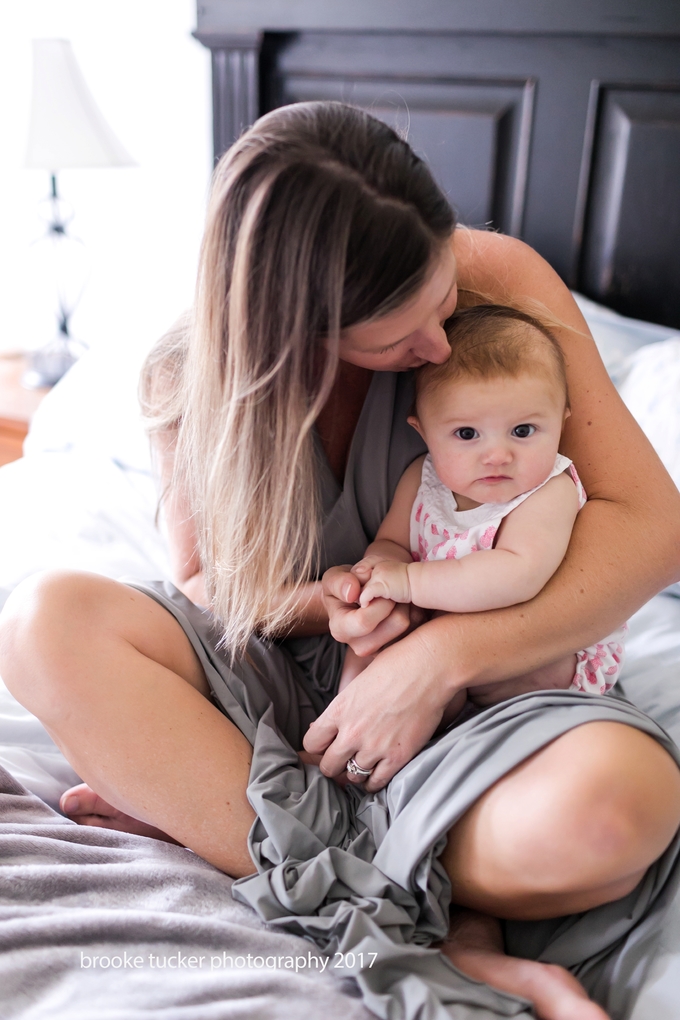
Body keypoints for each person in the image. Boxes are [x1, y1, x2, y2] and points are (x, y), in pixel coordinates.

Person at [1, 102, 680, 1020]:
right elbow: (210, 590)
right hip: (291, 694)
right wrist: (330, 607)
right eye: (398, 339)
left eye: (441, 300)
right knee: (41, 623)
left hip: (493, 692)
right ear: (296, 331)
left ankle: (246, 832)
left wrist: (438, 661)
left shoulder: (501, 282)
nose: (438, 349)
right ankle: (438, 917)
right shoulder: (188, 378)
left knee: (618, 808)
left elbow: (647, 524)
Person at [338, 304, 625, 719]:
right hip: (444, 636)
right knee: (375, 637)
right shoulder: (424, 478)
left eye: (523, 431)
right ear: (424, 432)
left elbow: (516, 575)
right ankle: (342, 716)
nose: (496, 455)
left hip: (536, 649)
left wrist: (409, 581)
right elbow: (392, 542)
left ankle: (448, 729)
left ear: (561, 423)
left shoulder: (548, 491)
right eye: (466, 434)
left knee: (525, 672)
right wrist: (375, 572)